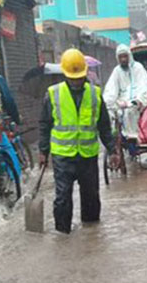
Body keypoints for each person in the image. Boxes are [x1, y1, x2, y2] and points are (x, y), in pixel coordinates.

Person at [38, 49, 119, 234]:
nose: (76, 81)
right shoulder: (53, 94)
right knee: (63, 198)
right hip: (62, 156)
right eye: (73, 78)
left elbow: (104, 126)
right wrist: (43, 151)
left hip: (88, 156)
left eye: (79, 77)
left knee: (91, 198)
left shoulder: (95, 94)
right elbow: (44, 124)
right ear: (65, 75)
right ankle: (62, 234)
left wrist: (113, 150)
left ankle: (91, 235)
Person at [103, 44, 147, 139]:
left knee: (129, 111)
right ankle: (114, 137)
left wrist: (138, 100)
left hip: (136, 100)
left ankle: (132, 138)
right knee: (109, 112)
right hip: (121, 101)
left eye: (125, 56)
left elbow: (142, 86)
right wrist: (107, 102)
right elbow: (111, 89)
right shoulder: (117, 71)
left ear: (129, 56)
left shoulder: (138, 68)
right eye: (121, 57)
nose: (123, 59)